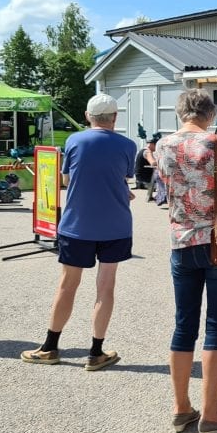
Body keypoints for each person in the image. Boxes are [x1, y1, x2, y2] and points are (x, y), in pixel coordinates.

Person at [155, 89, 217, 433]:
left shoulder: (163, 146)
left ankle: (181, 409)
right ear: (209, 114)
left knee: (184, 326)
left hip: (181, 241)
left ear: (181, 113)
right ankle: (211, 414)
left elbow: (164, 191)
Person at [21, 94, 137, 371]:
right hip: (116, 226)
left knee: (67, 285)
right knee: (105, 287)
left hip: (77, 225)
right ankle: (96, 352)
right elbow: (121, 178)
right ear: (115, 117)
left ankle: (50, 346)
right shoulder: (128, 145)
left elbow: (66, 179)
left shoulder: (73, 141)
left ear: (88, 116)